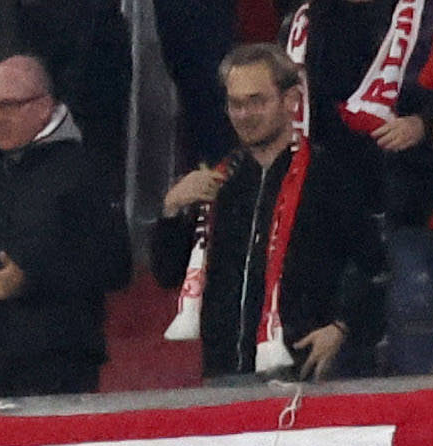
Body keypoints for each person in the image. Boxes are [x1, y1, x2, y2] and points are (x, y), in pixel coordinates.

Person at [163, 35, 382, 375]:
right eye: (235, 104)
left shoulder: (330, 177)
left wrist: (341, 328)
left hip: (304, 373)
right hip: (224, 373)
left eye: (256, 101)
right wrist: (173, 209)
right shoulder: (218, 183)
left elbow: (374, 269)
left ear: (291, 100)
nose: (244, 115)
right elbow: (167, 274)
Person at [0, 50, 123, 393]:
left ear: (44, 105)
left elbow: (114, 266)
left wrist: (28, 281)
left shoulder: (83, 172)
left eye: (10, 106)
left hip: (57, 366)